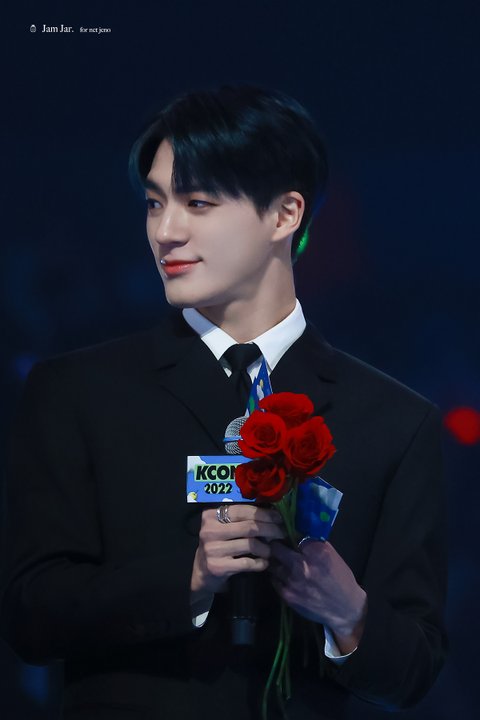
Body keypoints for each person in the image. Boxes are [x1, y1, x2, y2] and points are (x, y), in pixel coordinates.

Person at [0, 86, 447, 720]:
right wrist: (188, 579)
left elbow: (416, 669)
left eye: (198, 203)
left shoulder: (393, 421)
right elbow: (29, 616)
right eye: (155, 203)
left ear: (284, 215)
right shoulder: (77, 392)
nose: (165, 231)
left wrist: (349, 612)